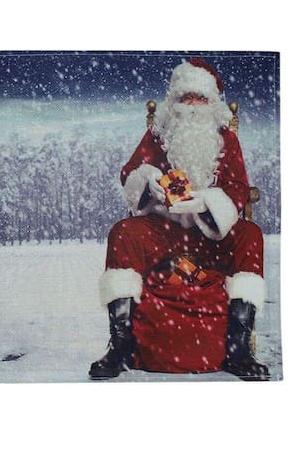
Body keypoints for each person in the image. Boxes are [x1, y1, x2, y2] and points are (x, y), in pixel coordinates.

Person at [89, 57, 270, 381]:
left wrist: (209, 201)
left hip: (210, 234)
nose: (193, 106)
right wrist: (149, 182)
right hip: (163, 228)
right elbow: (129, 173)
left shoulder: (226, 139)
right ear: (174, 101)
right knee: (123, 233)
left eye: (200, 98)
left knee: (250, 235)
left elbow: (238, 187)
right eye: (186, 97)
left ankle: (239, 350)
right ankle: (121, 347)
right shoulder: (158, 134)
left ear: (211, 103)